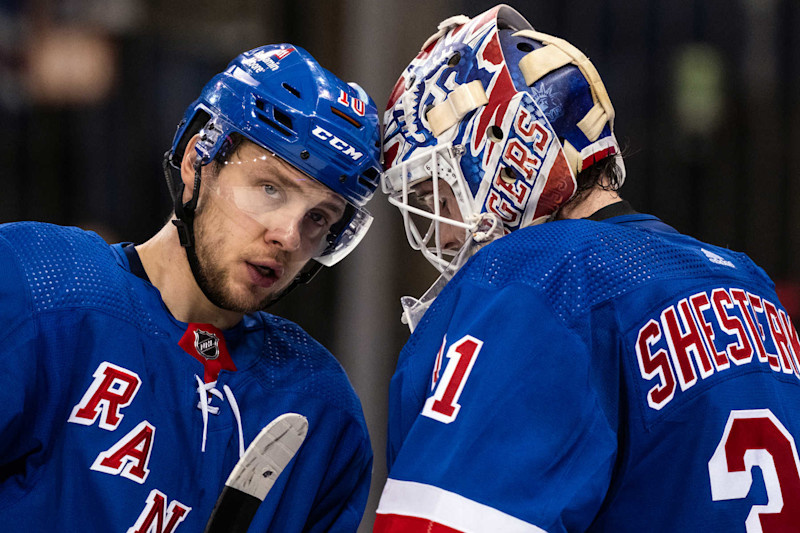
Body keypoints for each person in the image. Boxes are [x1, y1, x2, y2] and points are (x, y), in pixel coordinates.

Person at [374, 5, 800, 532]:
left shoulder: (539, 275)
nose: (441, 234)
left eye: (437, 193)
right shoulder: (748, 282)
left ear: (505, 158)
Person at [0, 44, 382, 532]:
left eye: (319, 217)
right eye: (271, 188)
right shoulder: (39, 285)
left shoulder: (320, 408)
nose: (289, 237)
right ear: (197, 160)